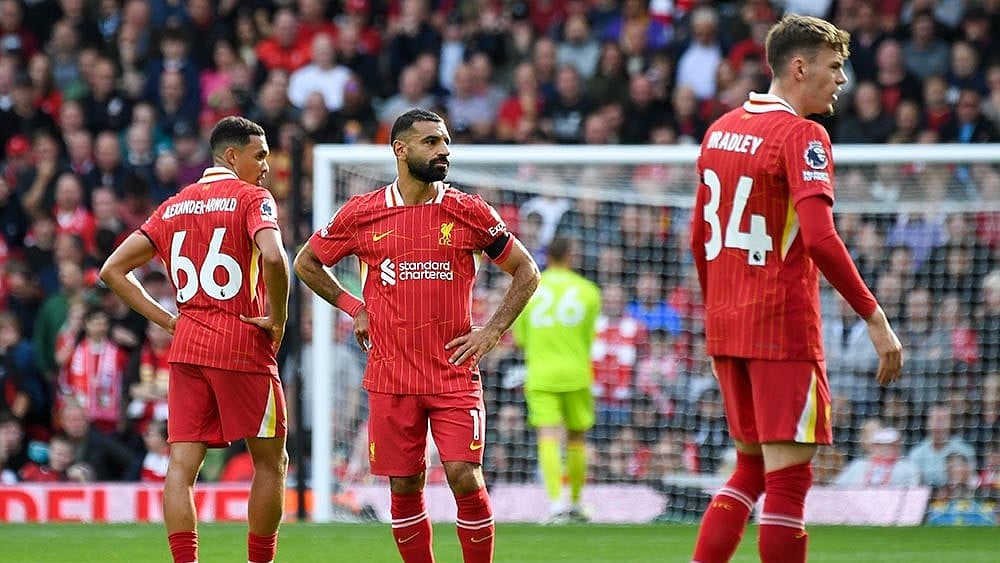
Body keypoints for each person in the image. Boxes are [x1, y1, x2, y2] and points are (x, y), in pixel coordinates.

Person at [688, 15, 903, 563]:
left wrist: (718, 314)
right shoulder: (802, 135)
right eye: (835, 67)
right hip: (780, 328)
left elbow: (698, 238)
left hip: (728, 326)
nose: (842, 80)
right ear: (800, 67)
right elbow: (820, 239)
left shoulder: (720, 129)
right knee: (788, 481)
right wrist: (874, 316)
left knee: (749, 468)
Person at [294, 108, 540, 563]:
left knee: (464, 475)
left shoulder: (468, 210)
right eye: (431, 142)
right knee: (405, 485)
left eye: (446, 141)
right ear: (400, 149)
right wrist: (354, 307)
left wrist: (492, 331)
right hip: (391, 375)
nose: (443, 150)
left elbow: (526, 270)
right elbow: (306, 262)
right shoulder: (363, 212)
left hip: (452, 372)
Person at [99, 116, 290, 563]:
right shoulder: (252, 198)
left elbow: (111, 270)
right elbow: (275, 258)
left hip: (187, 347)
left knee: (182, 467)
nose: (266, 165)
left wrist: (168, 321)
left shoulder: (174, 206)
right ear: (232, 156)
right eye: (260, 155)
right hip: (241, 342)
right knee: (271, 461)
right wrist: (277, 319)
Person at [511, 236, 601, 523]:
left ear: (547, 256)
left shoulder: (531, 288)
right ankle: (575, 503)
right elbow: (589, 337)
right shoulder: (588, 291)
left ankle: (555, 505)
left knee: (547, 437)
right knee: (577, 437)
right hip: (576, 373)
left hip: (541, 374)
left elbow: (521, 339)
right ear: (571, 256)